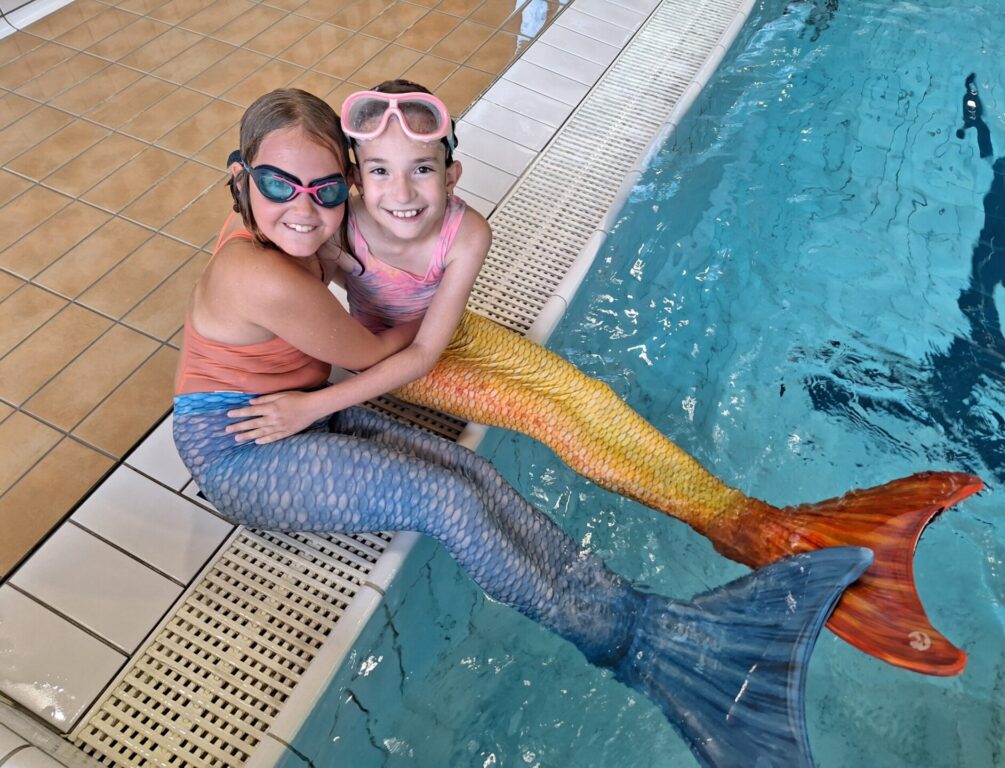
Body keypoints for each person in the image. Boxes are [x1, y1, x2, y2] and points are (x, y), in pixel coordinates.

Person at [172, 87, 872, 767]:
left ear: (344, 185)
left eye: (324, 190)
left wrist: (341, 271)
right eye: (279, 185)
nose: (304, 209)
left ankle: (655, 619)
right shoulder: (263, 275)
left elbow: (339, 273)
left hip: (291, 407)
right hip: (240, 450)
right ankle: (639, 647)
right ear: (241, 178)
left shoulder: (282, 227)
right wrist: (379, 330)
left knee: (470, 475)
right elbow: (377, 352)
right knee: (443, 499)